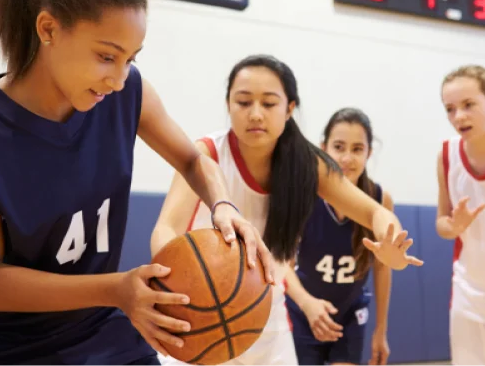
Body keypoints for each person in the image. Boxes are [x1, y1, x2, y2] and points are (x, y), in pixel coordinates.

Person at [0, 0, 273, 366]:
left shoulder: (127, 93)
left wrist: (224, 205)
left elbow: (192, 159)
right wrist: (115, 288)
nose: (120, 76)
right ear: (48, 28)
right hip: (6, 345)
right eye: (107, 56)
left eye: (131, 58)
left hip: (102, 327)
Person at [151, 55, 423, 366]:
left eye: (268, 104)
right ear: (228, 104)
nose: (255, 114)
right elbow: (165, 229)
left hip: (265, 318)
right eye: (243, 102)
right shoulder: (206, 153)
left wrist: (391, 244)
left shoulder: (307, 164)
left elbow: (375, 213)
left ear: (289, 109)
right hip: (200, 312)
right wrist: (176, 284)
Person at [284, 107, 392, 366]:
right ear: (323, 149)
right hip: (303, 310)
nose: (347, 157)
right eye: (339, 147)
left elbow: (383, 267)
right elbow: (283, 264)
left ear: (369, 153)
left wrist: (381, 330)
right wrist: (307, 303)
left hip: (350, 313)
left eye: (357, 149)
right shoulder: (304, 195)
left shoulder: (379, 199)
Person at [436, 65, 485, 366]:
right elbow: (442, 224)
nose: (459, 117)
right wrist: (454, 225)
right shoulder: (447, 155)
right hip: (468, 292)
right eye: (450, 109)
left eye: (469, 105)